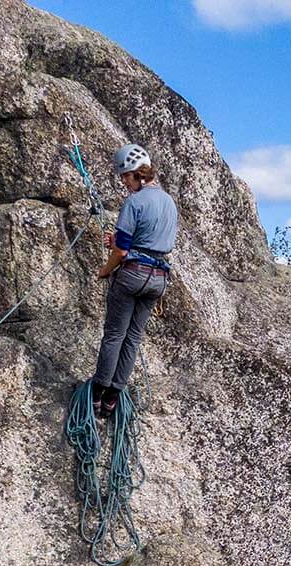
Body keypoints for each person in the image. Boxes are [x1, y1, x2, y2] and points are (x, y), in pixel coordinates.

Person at [90, 143, 178, 418]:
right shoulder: (168, 202)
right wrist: (119, 243)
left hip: (133, 275)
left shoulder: (134, 202)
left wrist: (106, 269)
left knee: (115, 334)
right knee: (134, 337)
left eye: (125, 177)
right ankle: (113, 397)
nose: (124, 184)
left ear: (135, 174)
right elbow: (150, 240)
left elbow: (122, 251)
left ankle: (96, 393)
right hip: (158, 277)